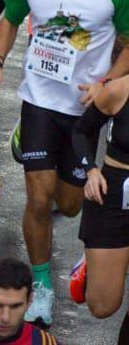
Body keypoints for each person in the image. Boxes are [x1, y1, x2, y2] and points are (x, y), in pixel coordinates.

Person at [0, 0, 129, 325]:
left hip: (83, 113)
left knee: (70, 203)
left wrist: (106, 84)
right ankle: (42, 284)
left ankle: (85, 255)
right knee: (39, 200)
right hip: (39, 102)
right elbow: (9, 19)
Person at [71, 62, 129, 328]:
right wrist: (91, 170)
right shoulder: (118, 91)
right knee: (103, 306)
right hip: (114, 190)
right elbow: (82, 130)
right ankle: (92, 268)